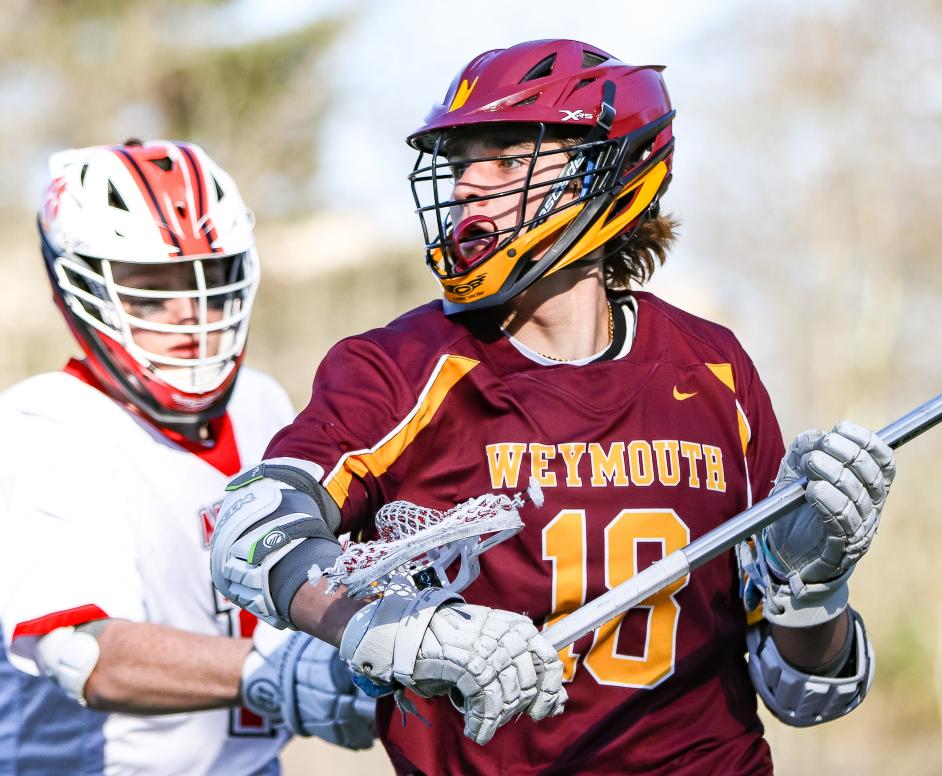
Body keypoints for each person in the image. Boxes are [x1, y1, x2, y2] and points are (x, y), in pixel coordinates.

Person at [210, 39, 894, 774]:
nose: (468, 183)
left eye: (505, 159)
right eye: (460, 160)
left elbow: (805, 691)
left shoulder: (713, 368)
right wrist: (391, 631)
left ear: (608, 170)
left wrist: (815, 588)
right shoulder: (400, 368)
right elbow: (252, 534)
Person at [0, 140, 374, 775]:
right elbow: (86, 655)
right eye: (151, 292)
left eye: (211, 281)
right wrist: (277, 672)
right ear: (79, 289)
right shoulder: (42, 426)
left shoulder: (260, 401)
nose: (191, 315)